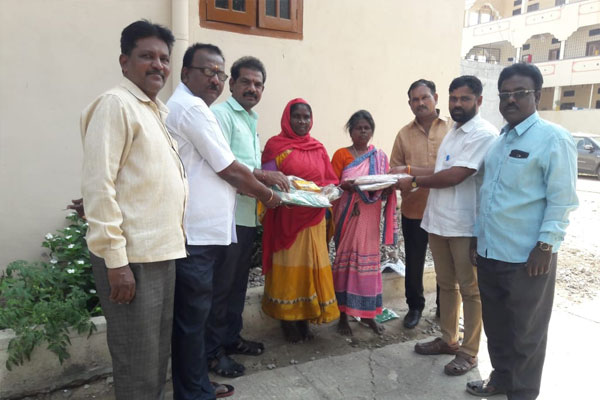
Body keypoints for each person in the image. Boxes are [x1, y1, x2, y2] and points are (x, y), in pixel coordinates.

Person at [166, 43, 281, 399]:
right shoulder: (203, 112)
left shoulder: (232, 115)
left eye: (218, 72)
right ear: (186, 73)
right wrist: (269, 195)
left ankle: (204, 374)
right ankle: (201, 377)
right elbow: (230, 168)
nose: (214, 79)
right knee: (200, 311)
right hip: (200, 230)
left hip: (222, 224)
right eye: (208, 72)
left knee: (223, 295)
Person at [80, 20, 186, 399]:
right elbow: (99, 186)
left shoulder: (152, 111)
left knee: (155, 358)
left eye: (164, 58)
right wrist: (116, 261)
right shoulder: (116, 105)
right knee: (137, 362)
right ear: (125, 62)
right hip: (132, 259)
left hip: (159, 252)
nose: (158, 65)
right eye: (147, 56)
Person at [466, 64, 578, 399]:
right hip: (490, 253)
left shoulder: (554, 139)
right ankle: (501, 380)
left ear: (537, 95)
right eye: (505, 94)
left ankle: (523, 394)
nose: (511, 100)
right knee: (497, 327)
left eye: (520, 93)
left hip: (527, 259)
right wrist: (476, 237)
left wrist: (545, 247)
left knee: (526, 334)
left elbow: (562, 200)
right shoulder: (499, 142)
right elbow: (487, 195)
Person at [397, 75, 498, 376]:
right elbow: (441, 169)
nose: (458, 104)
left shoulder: (483, 133)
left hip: (465, 224)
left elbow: (456, 175)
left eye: (464, 99)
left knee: (470, 289)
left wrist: (414, 180)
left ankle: (469, 351)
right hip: (439, 220)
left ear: (479, 101)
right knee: (446, 284)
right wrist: (409, 173)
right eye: (454, 98)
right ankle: (448, 339)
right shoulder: (454, 131)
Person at [208, 56, 288, 374]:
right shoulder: (221, 115)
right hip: (225, 218)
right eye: (246, 82)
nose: (252, 88)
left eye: (258, 84)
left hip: (245, 216)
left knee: (237, 284)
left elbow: (248, 168)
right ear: (232, 84)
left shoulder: (249, 119)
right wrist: (265, 180)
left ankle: (231, 338)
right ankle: (213, 353)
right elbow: (226, 166)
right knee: (221, 287)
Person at [261, 98, 340, 342]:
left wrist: (329, 191)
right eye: (297, 116)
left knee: (310, 265)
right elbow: (267, 180)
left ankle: (306, 315)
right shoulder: (275, 146)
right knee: (290, 267)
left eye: (306, 117)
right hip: (286, 217)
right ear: (288, 118)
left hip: (314, 217)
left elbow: (330, 179)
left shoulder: (318, 148)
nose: (302, 121)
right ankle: (287, 318)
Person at [389, 79, 450, 329]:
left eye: (425, 97)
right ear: (410, 104)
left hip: (447, 210)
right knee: (414, 262)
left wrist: (411, 171)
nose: (420, 103)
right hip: (414, 210)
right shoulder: (403, 134)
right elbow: (394, 171)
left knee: (446, 264)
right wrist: (402, 176)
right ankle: (415, 307)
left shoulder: (452, 129)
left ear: (435, 98)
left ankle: (445, 309)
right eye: (415, 99)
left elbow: (451, 171)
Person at [330, 110, 397, 336]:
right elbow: (331, 186)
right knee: (346, 262)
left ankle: (368, 315)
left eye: (367, 128)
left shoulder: (379, 157)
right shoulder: (341, 155)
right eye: (358, 128)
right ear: (350, 131)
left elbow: (383, 186)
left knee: (369, 264)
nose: (363, 132)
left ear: (372, 132)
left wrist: (386, 190)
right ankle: (342, 315)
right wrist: (346, 187)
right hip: (348, 216)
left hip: (370, 216)